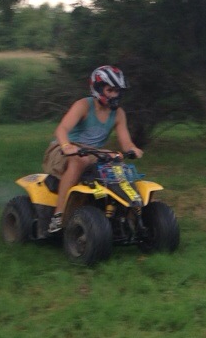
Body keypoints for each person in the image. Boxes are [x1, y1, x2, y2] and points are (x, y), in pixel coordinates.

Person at [42, 65, 144, 233]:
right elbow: (61, 130)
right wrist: (66, 146)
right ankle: (58, 216)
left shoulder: (118, 114)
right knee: (79, 161)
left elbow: (126, 143)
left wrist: (133, 149)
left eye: (117, 91)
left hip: (91, 152)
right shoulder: (83, 106)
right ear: (97, 89)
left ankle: (128, 214)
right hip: (62, 148)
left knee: (117, 162)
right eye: (110, 90)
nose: (114, 95)